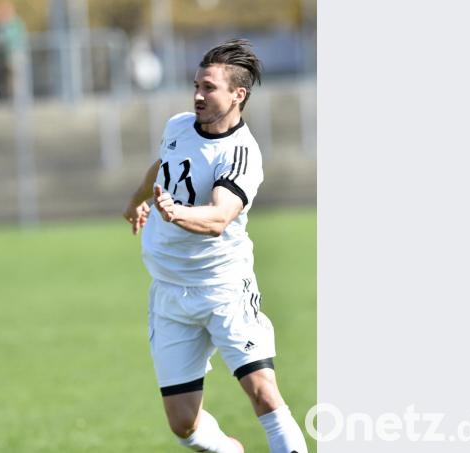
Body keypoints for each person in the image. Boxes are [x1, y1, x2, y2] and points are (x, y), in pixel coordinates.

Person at [123, 39, 308, 453]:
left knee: (263, 392)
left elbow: (220, 216)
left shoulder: (240, 153)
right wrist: (137, 200)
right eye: (196, 86)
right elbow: (163, 165)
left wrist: (176, 213)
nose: (198, 95)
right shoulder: (177, 126)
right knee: (183, 425)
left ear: (238, 94)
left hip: (223, 290)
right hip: (170, 294)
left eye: (209, 88)